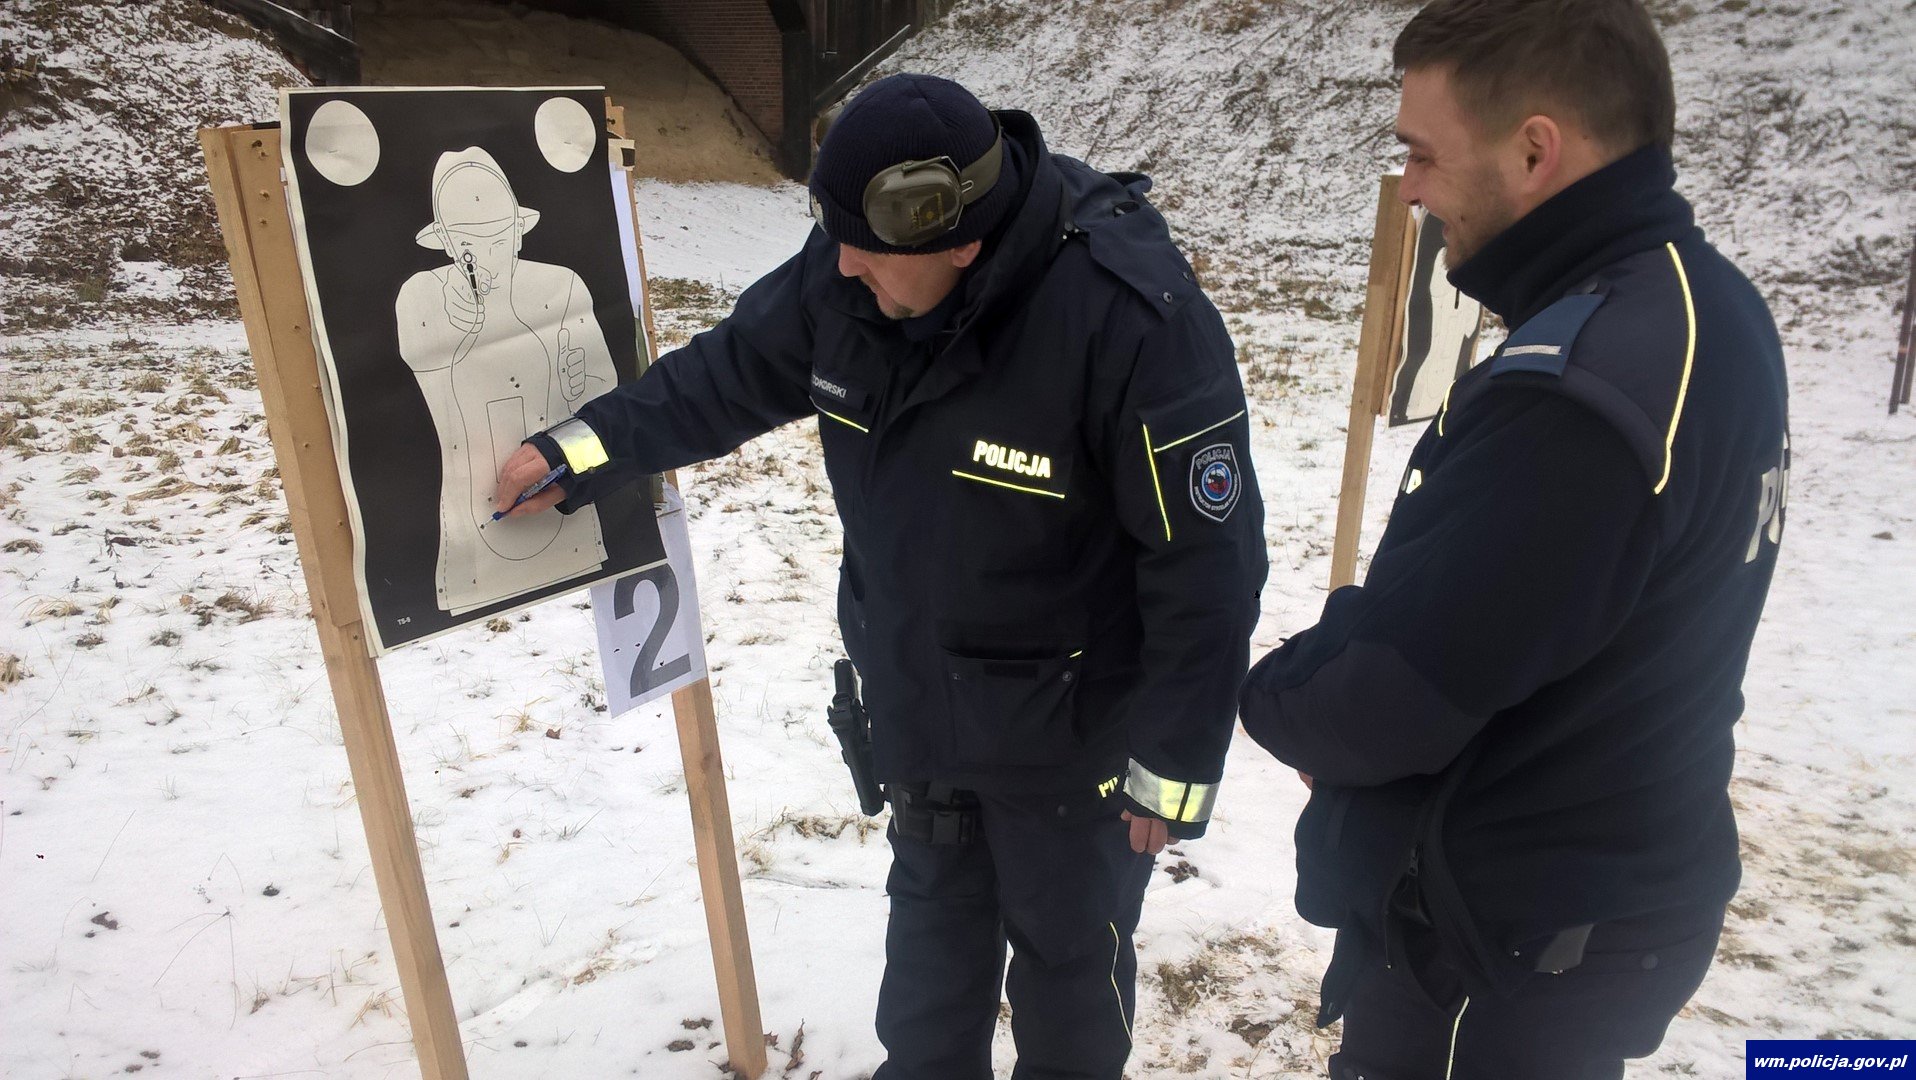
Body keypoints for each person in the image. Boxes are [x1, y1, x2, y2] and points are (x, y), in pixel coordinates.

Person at [494, 73, 1267, 1079]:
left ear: (958, 238)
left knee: (1070, 989)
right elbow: (724, 376)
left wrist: (1174, 764)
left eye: (864, 247)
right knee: (927, 992)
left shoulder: (1129, 320)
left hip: (1072, 745)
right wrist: (585, 449)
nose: (841, 262)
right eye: (836, 236)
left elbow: (1207, 563)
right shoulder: (856, 267)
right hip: (921, 712)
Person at [1237, 1, 1790, 1077]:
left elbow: (1388, 701)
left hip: (1500, 948)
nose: (1408, 189)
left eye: (1421, 153)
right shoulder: (1708, 308)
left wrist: (1272, 694)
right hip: (1597, 899)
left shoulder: (1575, 395)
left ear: (1535, 151)